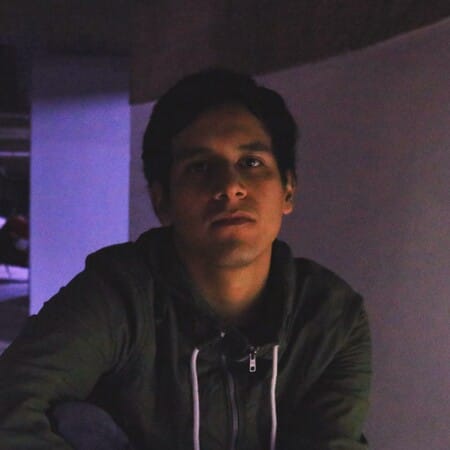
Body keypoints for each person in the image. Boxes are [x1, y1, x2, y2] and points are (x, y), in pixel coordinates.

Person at [0, 68, 371, 449]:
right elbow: (11, 406)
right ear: (162, 201)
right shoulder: (119, 295)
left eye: (251, 163)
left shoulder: (330, 317)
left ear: (288, 190)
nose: (230, 187)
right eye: (200, 167)